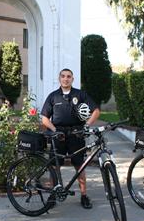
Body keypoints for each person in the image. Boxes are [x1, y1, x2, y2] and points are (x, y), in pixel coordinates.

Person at [41, 68, 100, 209]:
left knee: (79, 166)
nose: (66, 79)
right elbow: (44, 118)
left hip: (76, 134)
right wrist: (54, 130)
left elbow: (96, 111)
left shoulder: (80, 95)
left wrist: (86, 125)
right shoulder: (53, 96)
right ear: (59, 78)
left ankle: (84, 195)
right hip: (58, 135)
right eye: (63, 76)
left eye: (68, 76)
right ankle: (53, 194)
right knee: (54, 167)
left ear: (72, 79)